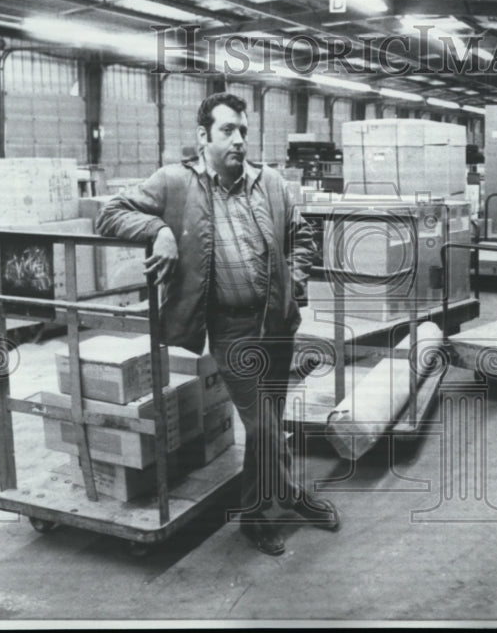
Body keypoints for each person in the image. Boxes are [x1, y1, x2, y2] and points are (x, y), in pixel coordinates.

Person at [95, 91, 339, 556]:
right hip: (231, 328)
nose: (239, 140)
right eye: (228, 130)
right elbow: (110, 213)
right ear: (203, 136)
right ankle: (261, 513)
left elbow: (301, 236)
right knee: (264, 426)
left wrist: (294, 280)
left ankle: (284, 494)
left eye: (244, 131)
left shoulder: (270, 183)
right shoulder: (175, 182)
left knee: (272, 418)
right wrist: (159, 231)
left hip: (276, 323)